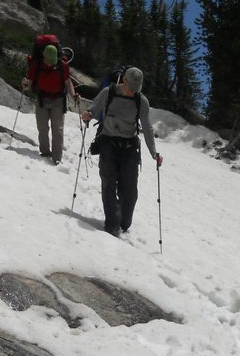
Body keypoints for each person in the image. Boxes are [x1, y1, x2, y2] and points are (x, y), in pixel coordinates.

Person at [81, 67, 163, 237]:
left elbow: (147, 127)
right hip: (108, 143)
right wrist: (88, 114)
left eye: (136, 88)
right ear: (124, 80)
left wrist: (154, 153)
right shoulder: (108, 92)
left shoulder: (141, 101)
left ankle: (123, 223)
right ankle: (112, 225)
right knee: (108, 184)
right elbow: (94, 108)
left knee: (130, 191)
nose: (132, 91)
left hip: (130, 147)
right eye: (130, 86)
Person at [22, 43, 78, 165]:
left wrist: (73, 95)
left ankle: (57, 158)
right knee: (42, 127)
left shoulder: (62, 66)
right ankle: (45, 152)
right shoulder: (36, 65)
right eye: (48, 60)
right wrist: (25, 85)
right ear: (43, 56)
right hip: (42, 98)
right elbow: (30, 82)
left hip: (58, 99)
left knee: (57, 129)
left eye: (53, 60)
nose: (50, 63)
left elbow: (68, 83)